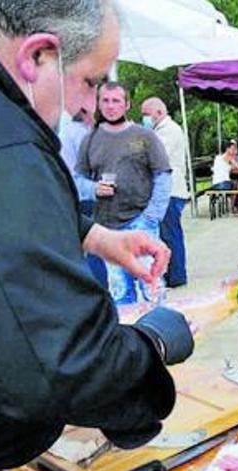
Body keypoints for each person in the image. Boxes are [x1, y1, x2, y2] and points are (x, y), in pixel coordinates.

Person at [0, 2, 195, 471]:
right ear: (39, 55)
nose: (88, 106)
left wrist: (95, 235)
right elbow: (64, 364)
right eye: (89, 81)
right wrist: (149, 347)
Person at [77, 82, 172, 305]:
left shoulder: (144, 136)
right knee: (120, 293)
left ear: (127, 104)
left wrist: (151, 216)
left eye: (116, 101)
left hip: (141, 221)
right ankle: (128, 337)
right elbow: (76, 180)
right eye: (105, 101)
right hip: (109, 227)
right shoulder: (90, 139)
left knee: (152, 286)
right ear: (98, 104)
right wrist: (93, 189)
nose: (110, 106)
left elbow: (163, 175)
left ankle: (162, 334)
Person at [141, 97, 191, 288]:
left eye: (146, 114)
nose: (144, 118)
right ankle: (173, 273)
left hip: (170, 190)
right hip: (165, 191)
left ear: (159, 113)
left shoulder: (169, 131)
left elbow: (155, 158)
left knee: (171, 234)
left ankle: (177, 275)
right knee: (167, 234)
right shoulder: (159, 131)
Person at [59, 104, 109, 288]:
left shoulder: (62, 132)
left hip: (71, 196)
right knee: (96, 246)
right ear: (88, 115)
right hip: (88, 195)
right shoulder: (82, 135)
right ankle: (101, 289)